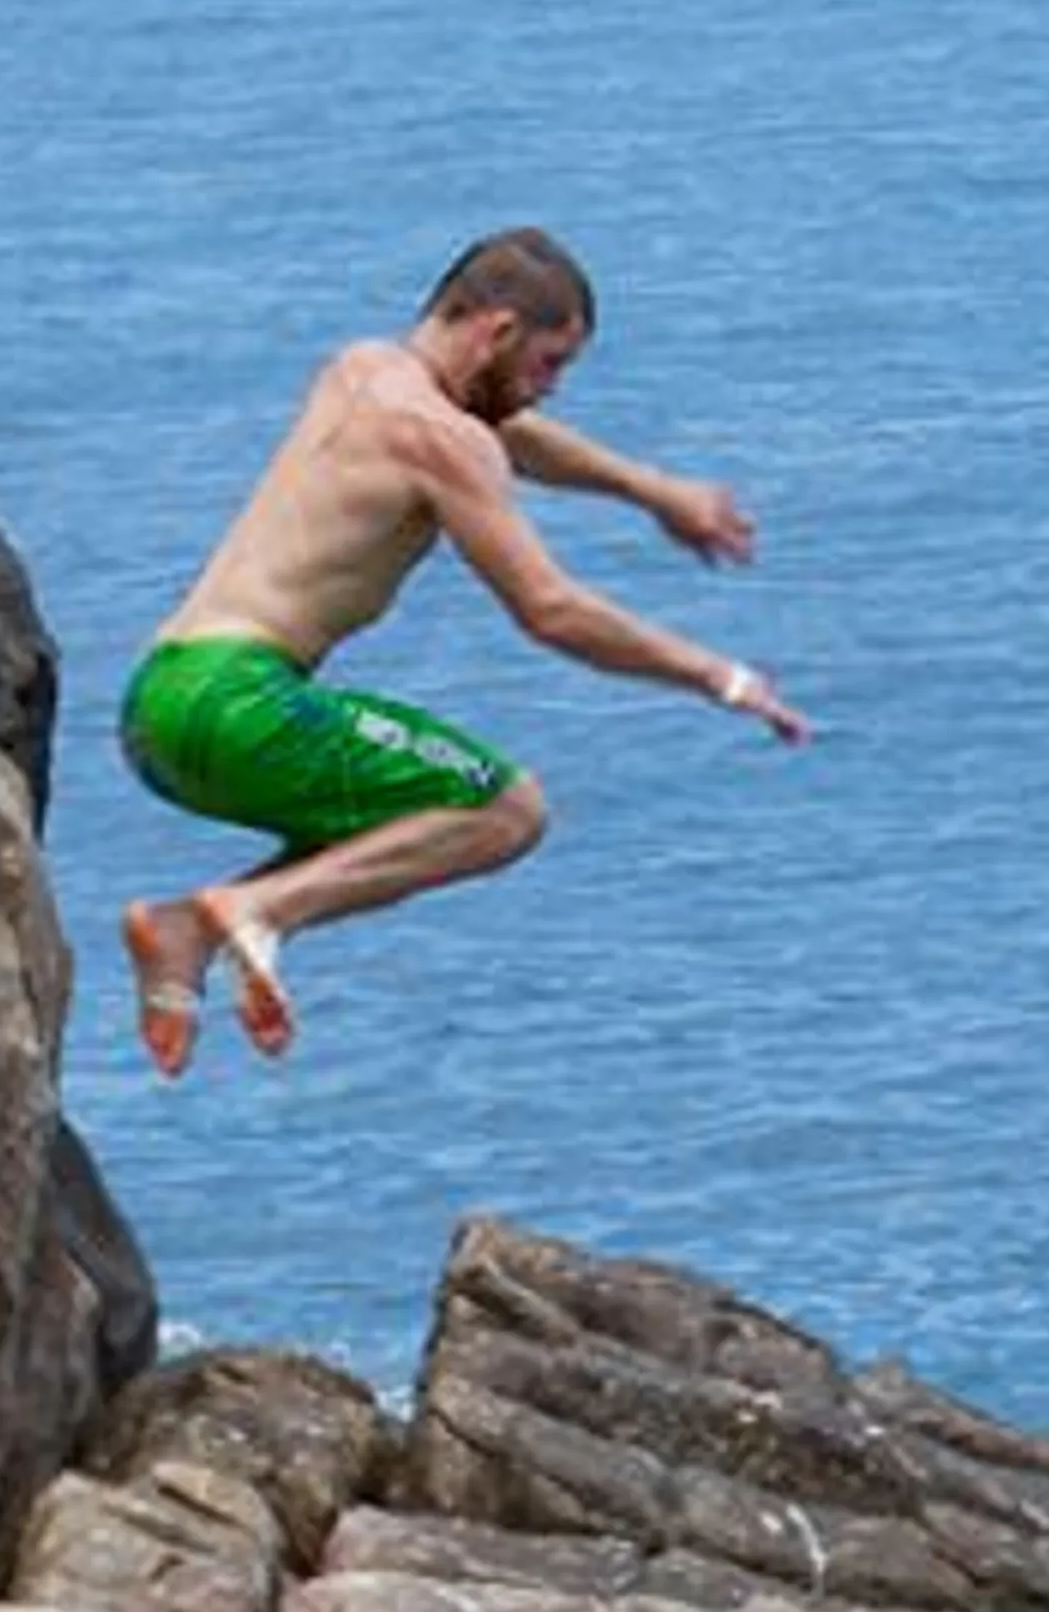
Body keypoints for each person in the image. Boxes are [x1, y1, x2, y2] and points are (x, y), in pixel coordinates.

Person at [115, 223, 807, 1074]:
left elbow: (513, 436)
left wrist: (652, 490)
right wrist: (720, 676)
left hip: (158, 709)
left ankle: (185, 929)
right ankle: (255, 911)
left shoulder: (361, 370)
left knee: (396, 822)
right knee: (505, 811)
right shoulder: (449, 441)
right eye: (550, 365)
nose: (548, 391)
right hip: (240, 703)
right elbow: (549, 609)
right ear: (499, 332)